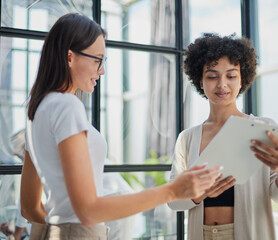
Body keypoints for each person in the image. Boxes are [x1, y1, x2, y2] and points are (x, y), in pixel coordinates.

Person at [20, 13, 222, 240]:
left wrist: (60, 227)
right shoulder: (67, 105)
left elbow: (29, 208)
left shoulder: (36, 110)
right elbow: (87, 210)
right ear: (70, 57)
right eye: (97, 60)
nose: (102, 71)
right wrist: (173, 191)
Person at [168, 33, 278, 240]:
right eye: (212, 76)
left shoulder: (264, 128)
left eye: (231, 75)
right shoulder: (187, 138)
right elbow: (173, 200)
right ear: (200, 81)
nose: (222, 85)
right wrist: (201, 193)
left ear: (241, 78)